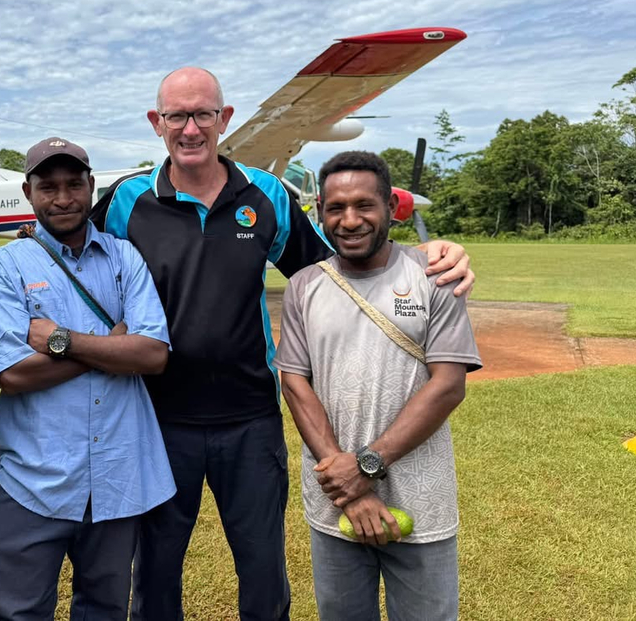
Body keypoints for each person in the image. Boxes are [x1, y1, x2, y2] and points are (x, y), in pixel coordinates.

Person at [89, 67, 475, 621]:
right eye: (178, 116)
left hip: (249, 418)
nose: (191, 128)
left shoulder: (265, 194)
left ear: (224, 119)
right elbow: (83, 266)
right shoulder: (129, 200)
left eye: (203, 114)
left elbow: (336, 268)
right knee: (154, 570)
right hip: (155, 417)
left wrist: (431, 255)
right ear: (158, 123)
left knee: (263, 569)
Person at [275, 151, 482, 621]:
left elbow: (448, 386)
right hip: (335, 505)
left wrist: (364, 467)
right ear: (320, 212)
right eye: (335, 208)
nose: (350, 220)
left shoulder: (435, 277)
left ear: (391, 206)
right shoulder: (304, 286)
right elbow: (295, 383)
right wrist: (349, 488)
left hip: (420, 502)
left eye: (364, 205)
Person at [0, 137, 175, 621]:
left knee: (105, 609)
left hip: (117, 475)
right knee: (16, 612)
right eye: (48, 187)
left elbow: (152, 354)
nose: (62, 198)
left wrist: (62, 340)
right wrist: (114, 344)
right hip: (32, 476)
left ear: (92, 187)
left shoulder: (125, 257)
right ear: (28, 192)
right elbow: (14, 372)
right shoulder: (7, 265)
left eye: (74, 185)